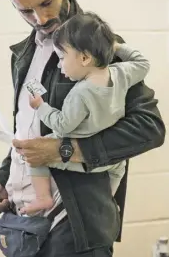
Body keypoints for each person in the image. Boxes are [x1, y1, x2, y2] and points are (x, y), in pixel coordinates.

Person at [0, 0, 165, 257]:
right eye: (25, 10)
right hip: (24, 231)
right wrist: (2, 180)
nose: (39, 17)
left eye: (46, 2)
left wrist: (66, 150)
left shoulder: (101, 47)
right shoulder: (23, 55)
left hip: (76, 234)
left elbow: (150, 128)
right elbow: (27, 133)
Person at [19, 12, 150, 215]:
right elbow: (143, 63)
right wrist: (113, 45)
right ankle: (110, 202)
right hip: (110, 159)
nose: (60, 64)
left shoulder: (80, 93)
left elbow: (63, 125)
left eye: (62, 58)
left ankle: (43, 198)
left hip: (82, 158)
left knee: (36, 155)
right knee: (119, 168)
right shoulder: (121, 73)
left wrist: (40, 106)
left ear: (85, 57)